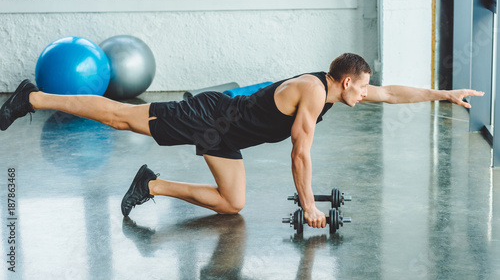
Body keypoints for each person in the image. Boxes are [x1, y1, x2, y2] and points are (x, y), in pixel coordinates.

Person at [0, 53, 484, 229]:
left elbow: (393, 92)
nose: (367, 91)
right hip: (210, 116)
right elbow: (300, 153)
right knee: (124, 119)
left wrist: (443, 94)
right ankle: (34, 98)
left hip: (227, 136)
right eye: (362, 85)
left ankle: (151, 186)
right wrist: (310, 207)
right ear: (342, 81)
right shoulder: (313, 95)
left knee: (232, 204)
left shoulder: (341, 90)